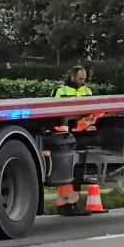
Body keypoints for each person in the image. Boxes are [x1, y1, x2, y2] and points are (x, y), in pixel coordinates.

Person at [51, 65, 97, 217]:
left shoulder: (87, 91)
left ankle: (70, 203)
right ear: (72, 77)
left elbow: (93, 113)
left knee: (77, 171)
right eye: (80, 79)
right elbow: (53, 111)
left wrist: (92, 125)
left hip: (82, 134)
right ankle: (67, 204)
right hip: (64, 134)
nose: (83, 82)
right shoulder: (61, 91)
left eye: (84, 79)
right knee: (67, 171)